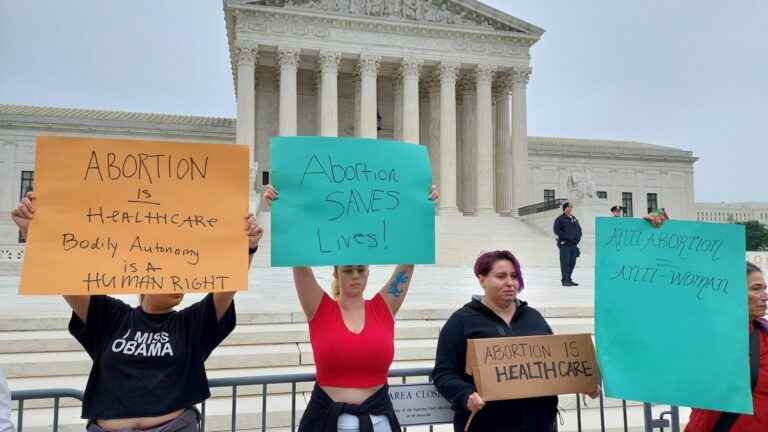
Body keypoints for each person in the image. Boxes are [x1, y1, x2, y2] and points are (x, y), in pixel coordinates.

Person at [10, 192, 263, 432]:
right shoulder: (112, 316)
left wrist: (247, 248)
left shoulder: (191, 323)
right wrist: (36, 233)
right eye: (170, 275)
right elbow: (64, 279)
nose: (179, 282)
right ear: (143, 279)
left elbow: (228, 287)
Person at [264, 184, 438, 432]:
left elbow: (407, 264)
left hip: (379, 421)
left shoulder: (383, 307)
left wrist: (422, 211)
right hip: (327, 420)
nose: (355, 276)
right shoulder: (319, 308)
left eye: (361, 270)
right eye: (348, 270)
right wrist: (282, 214)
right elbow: (299, 262)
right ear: (336, 272)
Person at [431, 250, 599, 432]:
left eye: (514, 276)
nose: (510, 283)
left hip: (539, 424)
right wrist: (465, 395)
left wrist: (583, 383)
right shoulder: (461, 321)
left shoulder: (534, 317)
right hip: (486, 424)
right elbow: (443, 372)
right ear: (482, 280)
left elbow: (554, 367)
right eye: (501, 276)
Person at [684, 262, 768, 432]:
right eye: (756, 288)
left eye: (764, 288)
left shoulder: (764, 333)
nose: (765, 295)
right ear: (733, 292)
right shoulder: (708, 338)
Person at [553, 202, 582, 286]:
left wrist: (578, 238)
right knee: (565, 263)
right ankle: (565, 280)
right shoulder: (560, 219)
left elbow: (579, 229)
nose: (569, 210)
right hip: (565, 244)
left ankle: (569, 279)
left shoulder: (574, 218)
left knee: (572, 262)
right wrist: (566, 237)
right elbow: (556, 230)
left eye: (570, 208)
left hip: (573, 244)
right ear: (564, 209)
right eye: (567, 208)